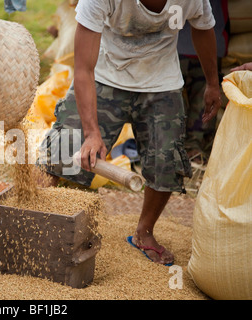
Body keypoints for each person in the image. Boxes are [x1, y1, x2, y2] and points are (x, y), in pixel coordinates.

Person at [38, 0, 222, 266]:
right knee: (66, 149)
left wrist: (212, 83)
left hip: (162, 83)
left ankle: (144, 232)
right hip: (104, 76)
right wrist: (91, 133)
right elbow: (82, 69)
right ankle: (40, 219)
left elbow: (204, 27)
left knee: (166, 162)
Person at [178, 0, 229, 163]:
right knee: (173, 101)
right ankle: (191, 149)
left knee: (205, 100)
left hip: (207, 45)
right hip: (176, 45)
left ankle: (192, 150)